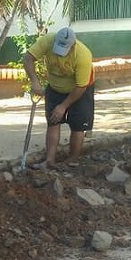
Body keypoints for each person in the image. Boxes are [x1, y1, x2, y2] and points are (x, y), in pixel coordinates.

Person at [23, 27, 94, 170]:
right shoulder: (47, 41)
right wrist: (34, 81)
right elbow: (28, 58)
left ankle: (72, 161)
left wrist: (63, 106)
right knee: (53, 121)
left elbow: (81, 86)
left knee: (78, 125)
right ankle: (49, 161)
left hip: (80, 91)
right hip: (55, 88)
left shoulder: (83, 55)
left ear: (73, 45)